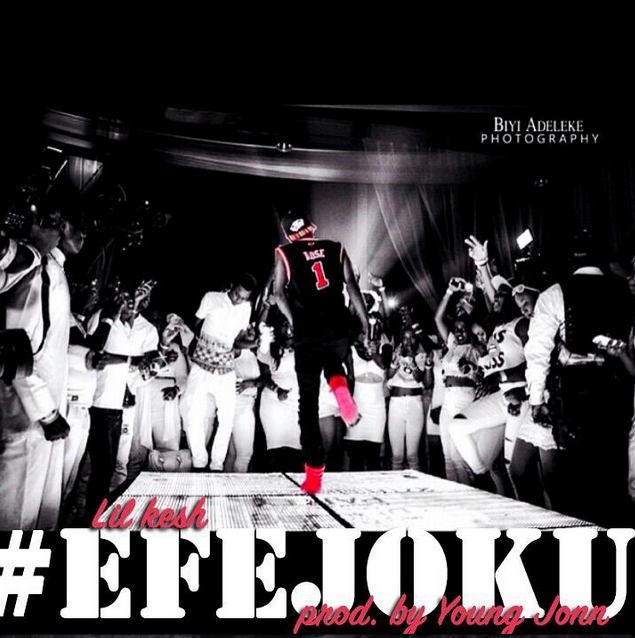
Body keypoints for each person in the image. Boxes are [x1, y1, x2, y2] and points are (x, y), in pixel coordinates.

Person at [525, 233, 634, 526]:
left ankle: (584, 540)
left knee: (578, 481)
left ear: (570, 259)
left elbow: (538, 351)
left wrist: (536, 399)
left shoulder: (554, 293)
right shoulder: (624, 289)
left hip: (576, 401)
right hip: (619, 397)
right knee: (613, 478)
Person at [273, 212, 369, 494]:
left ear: (290, 236)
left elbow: (278, 294)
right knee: (333, 363)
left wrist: (295, 321)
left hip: (308, 331)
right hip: (338, 328)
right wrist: (366, 322)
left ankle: (314, 474)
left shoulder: (285, 253)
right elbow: (352, 286)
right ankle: (339, 385)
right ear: (311, 228)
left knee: (308, 405)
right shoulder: (335, 248)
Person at [0, 201, 77, 530]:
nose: (80, 234)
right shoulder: (37, 270)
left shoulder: (52, 270)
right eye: (75, 225)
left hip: (41, 416)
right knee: (16, 517)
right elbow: (16, 341)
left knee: (38, 517)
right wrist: (45, 411)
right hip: (28, 418)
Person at [181, 274, 256, 471]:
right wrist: (200, 344)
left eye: (243, 298)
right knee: (194, 414)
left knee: (227, 418)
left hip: (225, 368)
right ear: (231, 286)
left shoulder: (246, 309)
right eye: (237, 294)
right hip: (201, 364)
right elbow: (195, 324)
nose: (238, 300)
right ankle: (199, 462)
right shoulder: (211, 298)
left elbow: (238, 341)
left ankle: (217, 465)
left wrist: (255, 342)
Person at [434, 276, 481, 483]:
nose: (459, 332)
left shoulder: (476, 348)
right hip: (448, 400)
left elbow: (483, 374)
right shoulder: (452, 344)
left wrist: (471, 368)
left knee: (460, 456)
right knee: (448, 456)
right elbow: (438, 319)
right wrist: (449, 292)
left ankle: (468, 494)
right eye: (457, 329)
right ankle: (452, 495)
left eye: (463, 329)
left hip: (465, 400)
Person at [386, 327, 427, 470]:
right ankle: (396, 483)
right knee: (397, 456)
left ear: (416, 339)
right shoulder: (395, 353)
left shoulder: (421, 356)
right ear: (401, 340)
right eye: (405, 338)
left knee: (412, 455)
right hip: (396, 404)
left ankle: (414, 483)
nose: (408, 341)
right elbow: (388, 375)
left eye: (411, 337)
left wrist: (413, 362)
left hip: (414, 404)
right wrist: (395, 361)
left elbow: (419, 378)